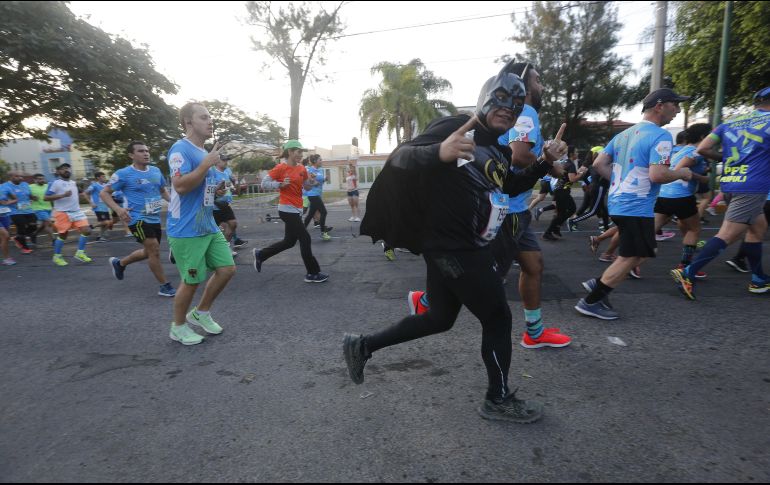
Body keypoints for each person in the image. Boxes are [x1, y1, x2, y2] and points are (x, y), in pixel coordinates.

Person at [347, 61, 564, 423]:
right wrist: (438, 152)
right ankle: (497, 399)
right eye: (499, 99)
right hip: (454, 247)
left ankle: (362, 345)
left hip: (462, 246)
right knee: (497, 317)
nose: (507, 109)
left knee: (439, 318)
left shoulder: (499, 150)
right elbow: (400, 156)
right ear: (483, 100)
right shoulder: (455, 128)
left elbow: (510, 185)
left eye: (515, 105)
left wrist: (543, 164)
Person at [576, 88, 693, 319]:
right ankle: (592, 300)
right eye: (675, 105)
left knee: (643, 252)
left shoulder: (623, 135)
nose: (678, 110)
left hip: (620, 201)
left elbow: (599, 164)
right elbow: (658, 175)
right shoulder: (661, 136)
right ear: (660, 106)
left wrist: (620, 182)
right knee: (634, 255)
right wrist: (683, 174)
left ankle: (597, 284)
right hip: (636, 205)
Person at [672, 87, 770, 297]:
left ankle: (758, 278)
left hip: (730, 183)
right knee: (726, 235)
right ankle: (688, 272)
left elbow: (702, 149)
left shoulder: (731, 123)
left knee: (757, 229)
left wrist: (730, 160)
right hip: (752, 186)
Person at [166, 102, 236, 345]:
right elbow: (181, 186)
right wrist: (206, 164)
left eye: (210, 117)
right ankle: (178, 327)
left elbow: (203, 188)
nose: (210, 121)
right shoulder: (179, 150)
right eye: (204, 117)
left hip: (207, 224)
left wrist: (216, 189)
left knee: (227, 269)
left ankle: (201, 312)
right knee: (192, 279)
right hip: (186, 228)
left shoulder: (206, 151)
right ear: (188, 122)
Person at [102, 140, 176, 298]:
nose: (146, 153)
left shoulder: (156, 171)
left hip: (154, 218)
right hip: (136, 218)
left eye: (147, 150)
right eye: (141, 151)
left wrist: (175, 204)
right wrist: (118, 209)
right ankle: (164, 286)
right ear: (131, 155)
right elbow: (104, 193)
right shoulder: (123, 174)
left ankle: (120, 263)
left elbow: (162, 191)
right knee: (154, 250)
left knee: (148, 252)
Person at [253, 140, 328, 283]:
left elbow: (306, 187)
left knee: (289, 242)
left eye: (302, 152)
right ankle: (312, 273)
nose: (301, 155)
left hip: (297, 209)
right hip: (286, 209)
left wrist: (311, 182)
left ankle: (261, 254)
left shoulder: (301, 169)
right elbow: (264, 184)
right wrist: (280, 184)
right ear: (290, 152)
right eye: (298, 152)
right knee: (305, 238)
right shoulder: (280, 168)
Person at [654, 124, 712, 277]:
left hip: (664, 193)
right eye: (711, 135)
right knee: (695, 229)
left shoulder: (682, 149)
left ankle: (631, 260)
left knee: (652, 229)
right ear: (702, 137)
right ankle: (684, 267)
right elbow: (681, 169)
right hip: (681, 196)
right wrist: (702, 178)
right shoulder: (695, 152)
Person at [44, 163, 93, 266]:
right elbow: (46, 198)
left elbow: (79, 194)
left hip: (77, 211)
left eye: (68, 168)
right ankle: (57, 256)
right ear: (58, 172)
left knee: (87, 230)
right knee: (63, 235)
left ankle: (80, 253)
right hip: (62, 213)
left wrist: (87, 200)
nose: (67, 170)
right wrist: (63, 195)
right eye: (63, 169)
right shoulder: (55, 183)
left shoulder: (73, 183)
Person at [543, 147, 586, 240]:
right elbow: (572, 179)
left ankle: (553, 230)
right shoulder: (571, 164)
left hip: (559, 190)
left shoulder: (565, 162)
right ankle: (551, 230)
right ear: (571, 154)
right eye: (576, 152)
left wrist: (577, 173)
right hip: (562, 191)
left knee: (561, 213)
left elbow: (567, 176)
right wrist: (582, 174)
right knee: (572, 209)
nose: (577, 154)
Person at [569, 146, 611, 232]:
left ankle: (606, 228)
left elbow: (584, 176)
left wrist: (589, 184)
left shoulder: (592, 166)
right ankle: (573, 221)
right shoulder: (603, 166)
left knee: (603, 209)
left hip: (594, 188)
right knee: (593, 211)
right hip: (599, 188)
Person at [0, 172, 36, 254]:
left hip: (27, 209)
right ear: (10, 177)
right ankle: (24, 247)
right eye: (17, 176)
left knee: (33, 225)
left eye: (21, 176)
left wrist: (33, 197)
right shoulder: (5, 186)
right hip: (14, 211)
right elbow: (3, 199)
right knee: (21, 227)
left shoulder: (25, 184)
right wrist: (10, 202)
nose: (20, 178)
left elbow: (29, 194)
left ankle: (18, 237)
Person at [212, 157, 240, 256]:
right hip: (214, 206)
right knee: (210, 232)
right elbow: (209, 188)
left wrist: (231, 188)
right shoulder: (212, 172)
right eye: (224, 160)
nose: (226, 162)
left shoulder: (226, 172)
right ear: (217, 161)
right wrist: (216, 191)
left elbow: (227, 187)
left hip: (225, 205)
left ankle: (226, 248)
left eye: (227, 160)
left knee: (233, 224)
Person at [303, 154, 333, 241]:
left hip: (317, 194)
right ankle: (323, 233)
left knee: (310, 215)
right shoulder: (309, 170)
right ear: (315, 161)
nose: (321, 161)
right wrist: (312, 181)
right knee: (324, 212)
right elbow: (307, 182)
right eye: (320, 160)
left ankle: (300, 231)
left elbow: (320, 182)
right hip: (313, 195)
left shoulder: (320, 169)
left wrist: (325, 179)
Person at [83, 172, 112, 242]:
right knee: (107, 222)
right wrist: (91, 203)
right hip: (98, 206)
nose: (104, 178)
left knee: (104, 224)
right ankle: (91, 226)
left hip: (105, 206)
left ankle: (100, 237)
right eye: (103, 176)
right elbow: (85, 193)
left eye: (104, 176)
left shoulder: (106, 185)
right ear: (98, 178)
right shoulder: (94, 185)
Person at [29, 173, 55, 247]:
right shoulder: (30, 187)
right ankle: (54, 240)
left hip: (48, 208)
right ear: (35, 180)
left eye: (43, 179)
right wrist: (31, 197)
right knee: (49, 223)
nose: (42, 180)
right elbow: (26, 195)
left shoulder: (47, 186)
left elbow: (52, 194)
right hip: (38, 208)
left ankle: (34, 234)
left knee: (44, 225)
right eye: (39, 179)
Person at [0, 177, 16, 265]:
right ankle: (6, 258)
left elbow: (15, 199)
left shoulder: (5, 187)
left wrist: (7, 203)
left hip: (5, 215)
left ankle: (6, 256)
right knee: (5, 236)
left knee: (4, 238)